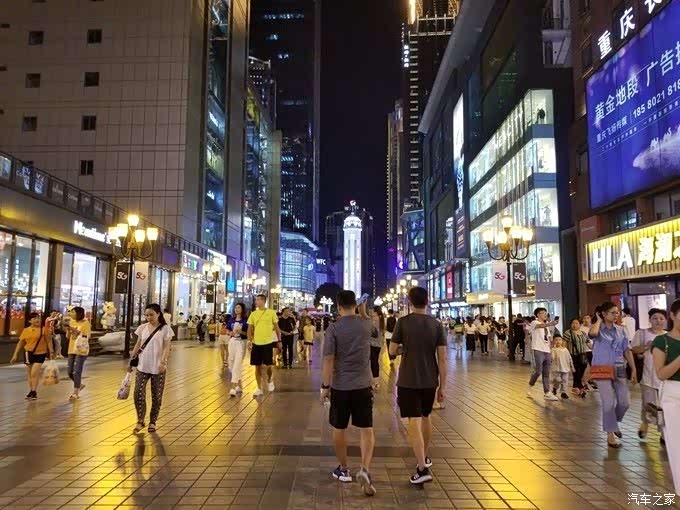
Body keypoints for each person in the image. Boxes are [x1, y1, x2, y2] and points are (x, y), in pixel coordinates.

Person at [320, 290, 376, 497]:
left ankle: (343, 469)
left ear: (338, 306)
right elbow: (375, 330)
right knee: (366, 428)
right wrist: (364, 311)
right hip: (363, 384)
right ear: (355, 304)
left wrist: (325, 386)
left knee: (339, 428)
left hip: (341, 386)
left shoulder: (333, 328)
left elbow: (328, 359)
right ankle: (365, 468)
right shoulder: (366, 325)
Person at [389, 287, 447, 484]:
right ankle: (425, 455)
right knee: (426, 416)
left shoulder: (403, 322)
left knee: (413, 421)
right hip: (430, 379)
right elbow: (443, 358)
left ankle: (422, 468)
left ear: (409, 301)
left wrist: (405, 349)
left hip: (408, 380)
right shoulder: (436, 325)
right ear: (427, 301)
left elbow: (392, 350)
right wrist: (443, 387)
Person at [589, 301, 637, 448]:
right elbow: (592, 334)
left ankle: (613, 423)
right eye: (613, 313)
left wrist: (633, 368)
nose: (616, 315)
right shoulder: (598, 328)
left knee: (625, 402)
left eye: (618, 312)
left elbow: (627, 350)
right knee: (608, 402)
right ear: (604, 314)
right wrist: (598, 320)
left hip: (619, 367)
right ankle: (610, 435)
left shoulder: (621, 330)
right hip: (601, 368)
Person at [130, 304, 174, 433]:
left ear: (158, 314)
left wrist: (163, 362)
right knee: (138, 393)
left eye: (151, 315)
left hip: (158, 367)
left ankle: (153, 422)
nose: (148, 317)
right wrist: (131, 361)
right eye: (146, 315)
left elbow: (167, 347)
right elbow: (138, 344)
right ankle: (140, 421)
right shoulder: (142, 328)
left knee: (157, 396)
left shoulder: (165, 329)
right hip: (142, 366)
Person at [652, 299, 680, 494]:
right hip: (673, 394)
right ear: (673, 315)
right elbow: (661, 374)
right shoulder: (662, 341)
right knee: (677, 443)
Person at [631, 308, 667, 441]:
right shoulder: (642, 333)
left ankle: (663, 433)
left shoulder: (669, 336)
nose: (658, 321)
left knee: (664, 406)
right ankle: (645, 423)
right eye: (655, 318)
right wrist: (647, 346)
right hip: (648, 377)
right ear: (650, 320)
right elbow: (634, 349)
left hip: (665, 378)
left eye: (661, 318)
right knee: (648, 404)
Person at [10, 312, 54, 400]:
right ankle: (31, 390)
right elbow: (20, 343)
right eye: (34, 318)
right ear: (30, 321)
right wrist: (15, 355)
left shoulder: (44, 329)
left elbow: (49, 340)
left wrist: (51, 351)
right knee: (30, 374)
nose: (37, 320)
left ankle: (34, 391)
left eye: (38, 318)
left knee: (34, 373)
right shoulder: (26, 330)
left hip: (41, 353)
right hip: (28, 353)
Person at [247, 294, 281, 397]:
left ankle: (270, 380)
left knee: (268, 366)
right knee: (257, 366)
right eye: (256, 300)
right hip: (256, 343)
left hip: (268, 343)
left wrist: (279, 340)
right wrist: (249, 341)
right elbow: (250, 329)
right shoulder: (253, 314)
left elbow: (277, 328)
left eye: (258, 300)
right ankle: (259, 388)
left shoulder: (271, 313)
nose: (256, 302)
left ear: (263, 301)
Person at [526, 307, 560, 401]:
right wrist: (550, 323)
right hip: (538, 349)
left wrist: (552, 345)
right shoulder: (534, 323)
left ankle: (547, 393)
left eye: (545, 313)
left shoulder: (546, 326)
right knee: (538, 371)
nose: (545, 314)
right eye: (543, 313)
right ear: (538, 315)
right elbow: (540, 326)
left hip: (547, 350)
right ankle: (530, 386)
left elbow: (548, 339)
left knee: (546, 373)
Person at [66, 306, 90, 401]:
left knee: (77, 371)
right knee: (69, 371)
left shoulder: (85, 323)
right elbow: (68, 337)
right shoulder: (71, 322)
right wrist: (68, 330)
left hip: (81, 350)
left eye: (72, 312)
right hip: (71, 349)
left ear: (78, 313)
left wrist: (75, 330)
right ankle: (79, 384)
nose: (70, 313)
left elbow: (87, 336)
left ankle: (75, 392)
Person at [562, 318, 590, 398]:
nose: (574, 325)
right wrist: (564, 354)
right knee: (576, 371)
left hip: (583, 355)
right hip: (573, 355)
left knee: (581, 370)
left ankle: (575, 387)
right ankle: (580, 388)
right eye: (573, 323)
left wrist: (595, 348)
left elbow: (588, 342)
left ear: (580, 325)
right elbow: (564, 344)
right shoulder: (568, 333)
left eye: (576, 323)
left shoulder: (583, 333)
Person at [226, 303, 248, 396]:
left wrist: (241, 331)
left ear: (242, 309)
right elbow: (227, 329)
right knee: (231, 363)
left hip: (241, 342)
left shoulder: (246, 321)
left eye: (238, 307)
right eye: (235, 307)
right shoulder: (231, 319)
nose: (236, 309)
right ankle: (239, 385)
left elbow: (249, 333)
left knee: (237, 364)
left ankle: (233, 387)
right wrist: (229, 332)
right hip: (232, 342)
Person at [369, 306, 385, 388]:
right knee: (374, 362)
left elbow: (373, 333)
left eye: (373, 313)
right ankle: (376, 381)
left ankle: (375, 382)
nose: (372, 314)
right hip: (377, 345)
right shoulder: (381, 321)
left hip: (372, 345)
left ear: (378, 314)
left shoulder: (375, 321)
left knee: (373, 363)